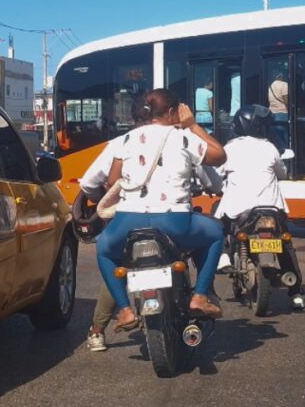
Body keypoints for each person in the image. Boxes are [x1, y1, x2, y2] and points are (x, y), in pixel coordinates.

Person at [95, 89, 227, 330]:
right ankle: (199, 296)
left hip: (127, 222)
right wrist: (193, 125)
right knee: (216, 233)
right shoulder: (183, 137)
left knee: (103, 249)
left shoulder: (126, 139)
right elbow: (220, 156)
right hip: (174, 222)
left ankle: (125, 310)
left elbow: (113, 179)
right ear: (171, 111)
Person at [79, 97, 151, 352]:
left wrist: (105, 202)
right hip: (170, 220)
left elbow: (88, 183)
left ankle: (98, 331)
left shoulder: (120, 144)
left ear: (133, 119)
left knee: (116, 265)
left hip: (126, 218)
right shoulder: (178, 138)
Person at [215, 104, 305, 309]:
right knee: (286, 246)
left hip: (240, 212)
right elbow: (282, 173)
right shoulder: (270, 148)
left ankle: (223, 257)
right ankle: (296, 293)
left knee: (219, 222)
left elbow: (217, 175)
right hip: (272, 210)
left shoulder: (230, 148)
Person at [268, 71, 290, 149]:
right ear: (281, 76)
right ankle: (286, 158)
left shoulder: (270, 86)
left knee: (276, 139)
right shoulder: (284, 85)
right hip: (283, 113)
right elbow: (286, 100)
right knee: (284, 139)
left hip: (272, 114)